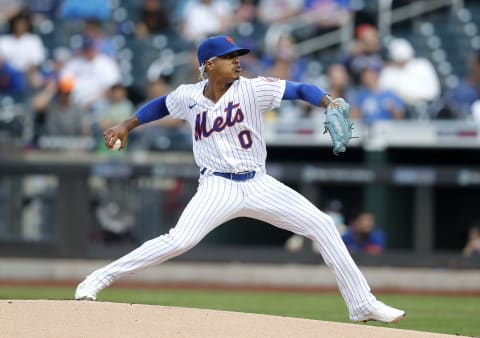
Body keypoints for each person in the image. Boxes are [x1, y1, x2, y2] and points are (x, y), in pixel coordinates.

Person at [75, 35, 405, 323]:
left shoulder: (252, 89)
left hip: (258, 183)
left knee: (322, 224)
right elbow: (162, 104)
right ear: (208, 64)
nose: (237, 62)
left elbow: (300, 88)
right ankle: (98, 278)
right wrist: (126, 125)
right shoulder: (188, 96)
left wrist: (327, 100)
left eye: (238, 56)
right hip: (217, 185)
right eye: (230, 57)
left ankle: (362, 304)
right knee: (179, 240)